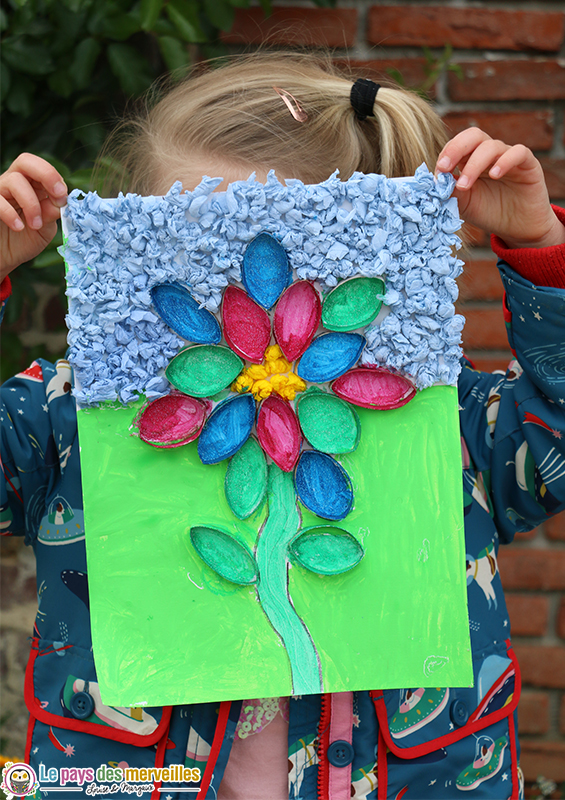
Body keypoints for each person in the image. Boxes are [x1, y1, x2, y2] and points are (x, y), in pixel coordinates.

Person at [1, 53, 564, 800]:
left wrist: (542, 256)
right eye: (191, 250)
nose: (234, 289)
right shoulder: (69, 417)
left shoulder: (449, 426)